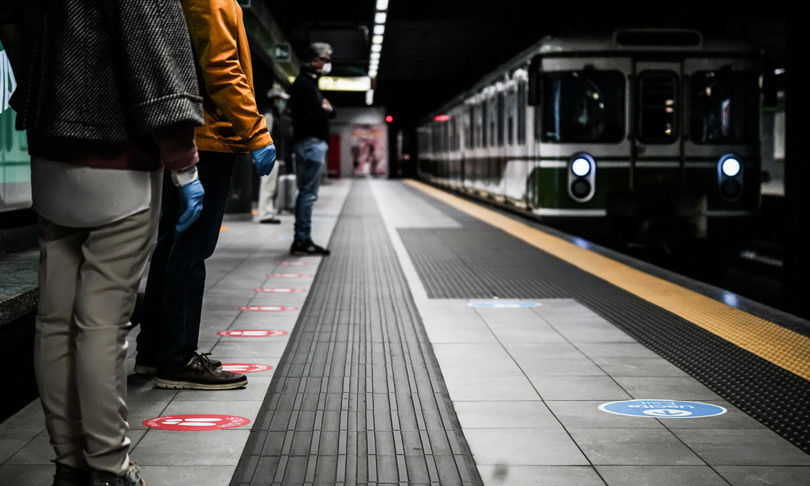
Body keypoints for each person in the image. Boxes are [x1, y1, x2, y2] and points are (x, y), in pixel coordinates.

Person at [3, 1, 205, 485]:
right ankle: (110, 467)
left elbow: (13, 24)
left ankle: (69, 464)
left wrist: (35, 97)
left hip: (50, 152)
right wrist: (183, 159)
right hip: (119, 159)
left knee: (54, 321)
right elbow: (154, 46)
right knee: (101, 325)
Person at [134, 0, 276, 391]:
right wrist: (257, 133)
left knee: (171, 245)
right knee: (191, 249)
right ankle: (177, 359)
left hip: (194, 134)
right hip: (209, 137)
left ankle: (154, 353)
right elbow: (222, 68)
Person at [288, 42, 336, 255]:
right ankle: (302, 240)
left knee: (307, 194)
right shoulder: (304, 85)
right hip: (310, 143)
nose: (328, 64)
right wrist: (324, 109)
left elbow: (328, 110)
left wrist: (326, 109)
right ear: (313, 60)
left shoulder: (309, 84)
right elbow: (317, 113)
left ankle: (302, 238)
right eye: (325, 59)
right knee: (308, 194)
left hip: (310, 143)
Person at [257, 87, 292, 224]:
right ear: (276, 100)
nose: (283, 103)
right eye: (282, 100)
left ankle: (267, 212)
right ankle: (265, 214)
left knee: (269, 186)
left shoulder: (273, 114)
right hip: (268, 156)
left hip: (271, 156)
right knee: (268, 186)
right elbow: (266, 135)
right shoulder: (269, 115)